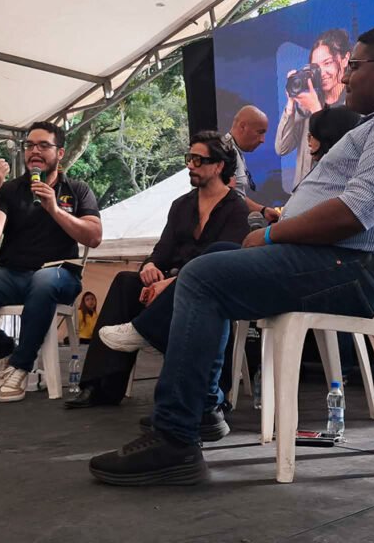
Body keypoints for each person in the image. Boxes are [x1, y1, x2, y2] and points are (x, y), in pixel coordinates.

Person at [89, 25, 374, 486]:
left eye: (354, 67)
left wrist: (274, 234)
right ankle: (200, 410)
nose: (344, 79)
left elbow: (353, 214)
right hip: (337, 263)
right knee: (218, 255)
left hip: (356, 272)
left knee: (203, 277)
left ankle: (175, 440)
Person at [63, 131, 249, 415]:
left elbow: (224, 259)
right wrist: (150, 267)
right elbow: (162, 250)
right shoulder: (181, 205)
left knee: (199, 299)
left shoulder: (236, 208)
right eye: (189, 158)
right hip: (168, 279)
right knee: (126, 282)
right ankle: (99, 386)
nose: (190, 165)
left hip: (206, 288)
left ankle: (203, 395)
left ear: (219, 166)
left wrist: (175, 281)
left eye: (198, 160)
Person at [0, 121, 102, 404]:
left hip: (60, 275)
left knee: (43, 280)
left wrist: (55, 210)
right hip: (13, 273)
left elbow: (93, 237)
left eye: (43, 145)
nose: (34, 151)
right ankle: (6, 352)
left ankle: (21, 367)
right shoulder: (10, 190)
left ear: (60, 152)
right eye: (30, 145)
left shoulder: (78, 189)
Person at [275, 28, 352, 189]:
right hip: (303, 194)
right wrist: (291, 104)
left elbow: (343, 156)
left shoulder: (354, 105)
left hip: (333, 197)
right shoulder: (308, 103)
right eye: (317, 67)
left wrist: (316, 109)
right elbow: (282, 148)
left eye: (328, 63)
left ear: (345, 59)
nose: (322, 73)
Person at [223, 106, 279, 223]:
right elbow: (223, 198)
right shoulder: (223, 153)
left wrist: (263, 211)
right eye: (260, 132)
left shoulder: (232, 150)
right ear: (243, 126)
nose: (262, 140)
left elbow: (236, 196)